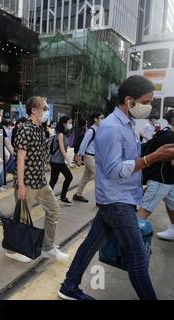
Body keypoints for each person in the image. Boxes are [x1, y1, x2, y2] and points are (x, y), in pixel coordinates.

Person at [59, 75, 174, 301]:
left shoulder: (127, 123)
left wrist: (156, 148)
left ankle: (69, 285)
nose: (149, 107)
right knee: (138, 258)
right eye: (146, 101)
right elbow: (114, 169)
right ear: (129, 100)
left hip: (120, 198)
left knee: (91, 244)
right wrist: (152, 158)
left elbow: (130, 153)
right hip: (117, 201)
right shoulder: (111, 127)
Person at [12, 96, 69, 263]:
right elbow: (20, 159)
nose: (47, 111)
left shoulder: (40, 129)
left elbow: (42, 156)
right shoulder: (26, 129)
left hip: (41, 182)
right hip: (27, 183)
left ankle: (47, 247)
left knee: (54, 210)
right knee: (21, 219)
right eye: (44, 108)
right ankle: (12, 249)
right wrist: (20, 185)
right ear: (34, 110)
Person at [137, 109, 174, 241]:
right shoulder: (170, 137)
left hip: (168, 180)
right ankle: (128, 241)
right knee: (144, 210)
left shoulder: (165, 132)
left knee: (173, 204)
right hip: (161, 179)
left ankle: (173, 229)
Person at [73, 112, 104, 203]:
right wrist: (79, 157)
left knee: (86, 177)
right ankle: (100, 200)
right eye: (101, 118)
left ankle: (77, 194)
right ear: (95, 119)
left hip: (94, 157)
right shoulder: (91, 130)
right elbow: (83, 144)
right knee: (99, 177)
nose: (103, 119)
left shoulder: (99, 129)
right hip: (89, 156)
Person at [49, 116, 75, 206]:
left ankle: (52, 198)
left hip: (58, 161)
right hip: (56, 161)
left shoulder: (63, 134)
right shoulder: (60, 134)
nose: (70, 124)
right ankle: (60, 197)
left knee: (54, 180)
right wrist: (69, 162)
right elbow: (62, 149)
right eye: (69, 122)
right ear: (64, 123)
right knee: (66, 177)